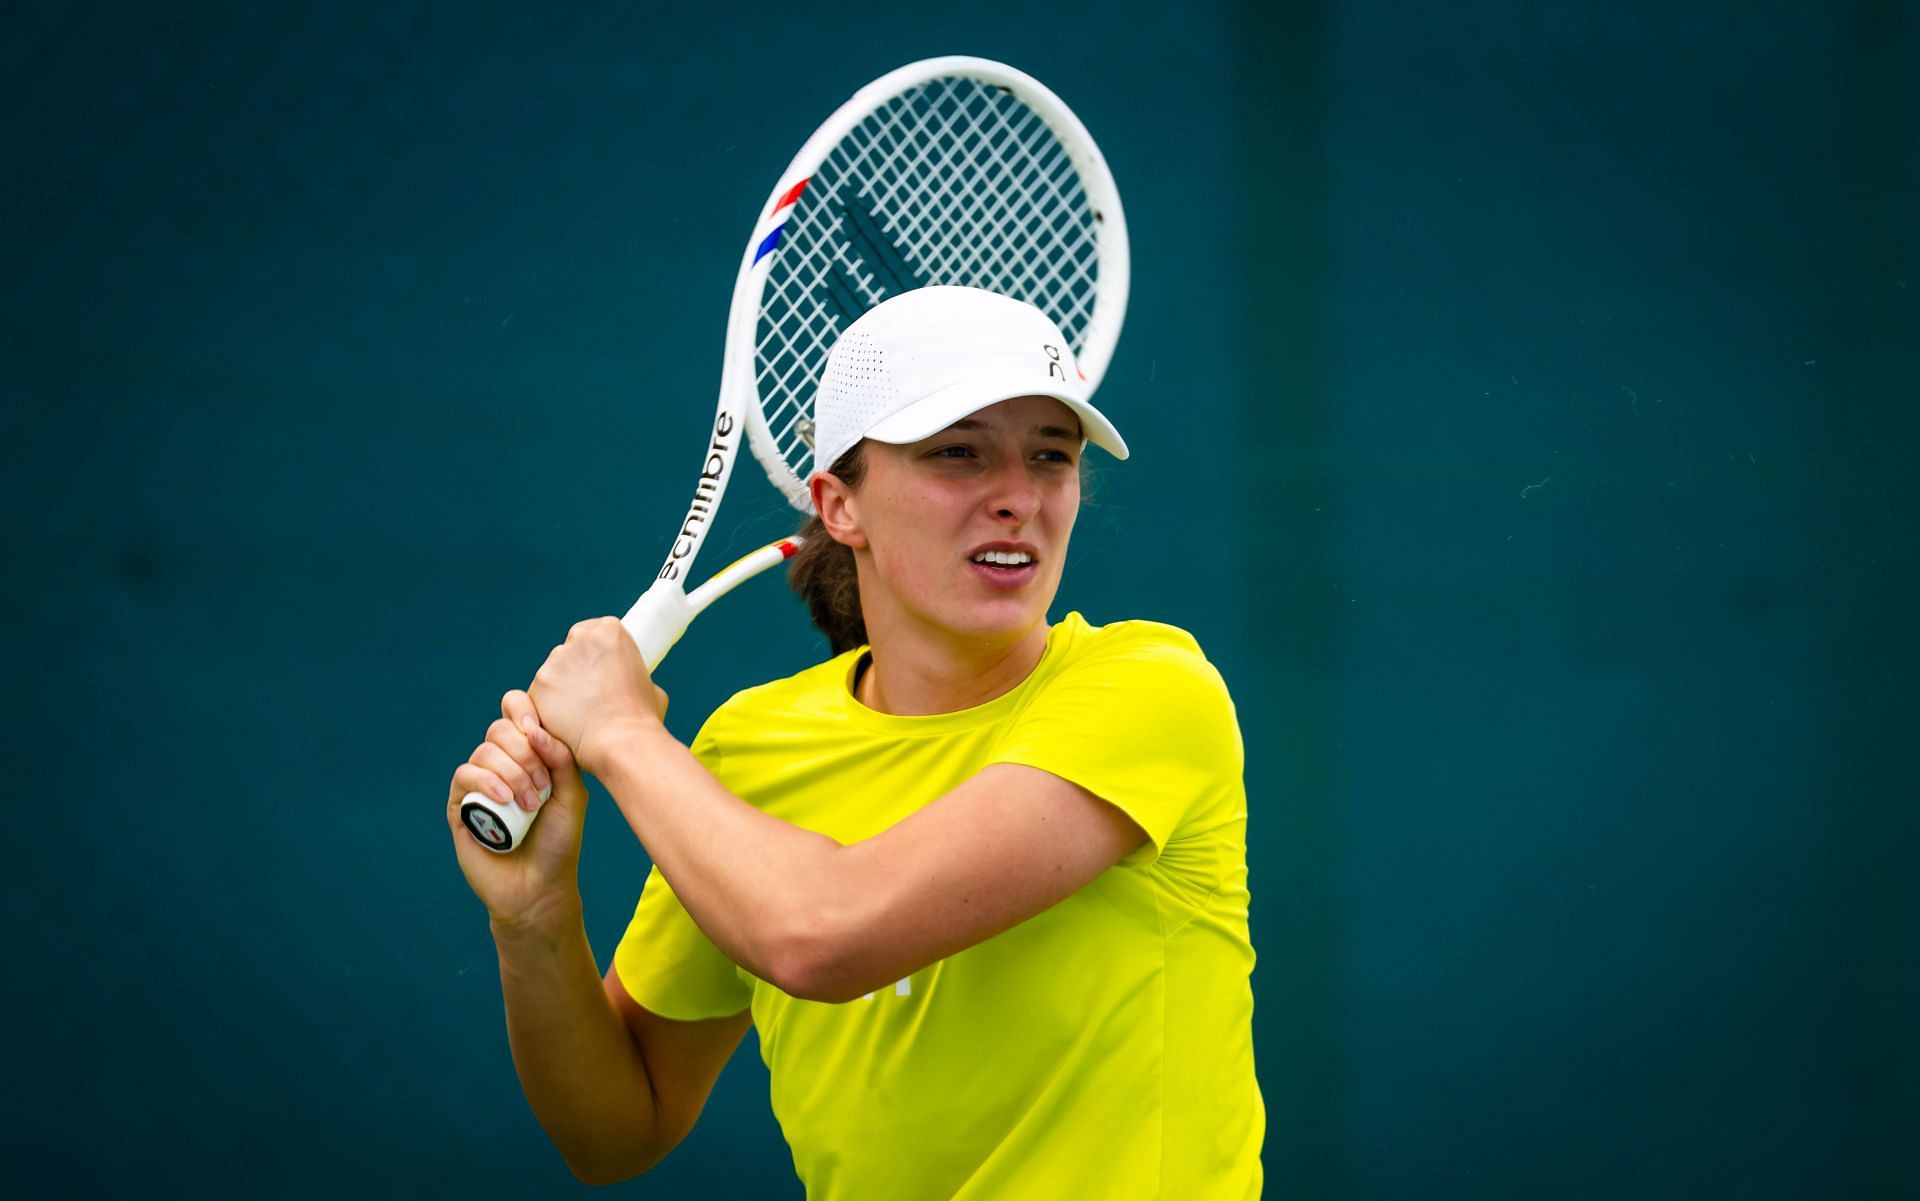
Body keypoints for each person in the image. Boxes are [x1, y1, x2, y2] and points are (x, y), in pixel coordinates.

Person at [446, 286, 1264, 1198]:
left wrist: (621, 732)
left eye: (1051, 456)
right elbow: (616, 1130)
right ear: (839, 505)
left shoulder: (1151, 690)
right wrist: (533, 917)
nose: (1019, 498)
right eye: (959, 454)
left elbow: (821, 936)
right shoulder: (750, 749)